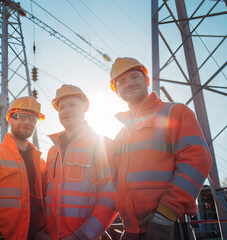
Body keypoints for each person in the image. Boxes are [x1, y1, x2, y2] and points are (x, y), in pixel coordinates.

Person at [109, 57, 212, 240]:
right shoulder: (120, 136)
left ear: (146, 81)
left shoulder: (174, 112)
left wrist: (165, 214)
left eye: (134, 77)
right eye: (122, 82)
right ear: (116, 91)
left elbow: (198, 160)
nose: (129, 84)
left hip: (170, 227)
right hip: (132, 231)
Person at [40, 84, 117, 240]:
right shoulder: (52, 151)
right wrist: (42, 231)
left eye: (72, 105)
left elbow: (111, 197)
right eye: (61, 107)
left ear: (85, 107)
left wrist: (82, 236)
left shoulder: (102, 144)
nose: (66, 110)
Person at [0, 96, 46, 240]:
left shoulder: (40, 163)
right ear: (10, 119)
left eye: (32, 118)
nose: (26, 122)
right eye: (20, 116)